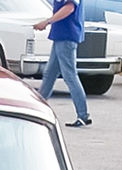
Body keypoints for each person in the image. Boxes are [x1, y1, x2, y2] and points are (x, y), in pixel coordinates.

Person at [34, 0, 91, 128]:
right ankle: (37, 109)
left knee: (70, 76)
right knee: (50, 74)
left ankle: (83, 115)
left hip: (66, 36)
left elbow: (69, 8)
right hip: (61, 36)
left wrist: (47, 21)